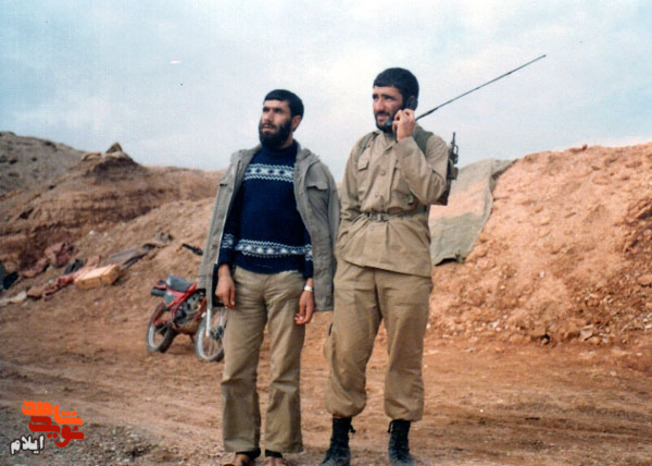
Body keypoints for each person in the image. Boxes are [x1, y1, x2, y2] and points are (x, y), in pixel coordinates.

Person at [198, 89, 339, 466]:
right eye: (265, 110)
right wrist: (223, 271)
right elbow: (227, 223)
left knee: (284, 371)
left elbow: (318, 234)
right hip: (241, 280)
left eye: (277, 111)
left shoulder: (312, 170)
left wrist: (310, 285)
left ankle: (277, 448)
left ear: (295, 121)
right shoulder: (244, 164)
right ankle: (243, 446)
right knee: (235, 370)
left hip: (288, 284)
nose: (268, 117)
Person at [320, 68, 450, 466]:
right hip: (357, 261)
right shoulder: (363, 145)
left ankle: (399, 443)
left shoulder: (430, 145)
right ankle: (338, 442)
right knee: (345, 351)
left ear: (409, 103)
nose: (379, 106)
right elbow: (348, 204)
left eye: (388, 98)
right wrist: (345, 249)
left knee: (404, 355)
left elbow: (433, 191)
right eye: (375, 97)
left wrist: (406, 142)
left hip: (406, 262)